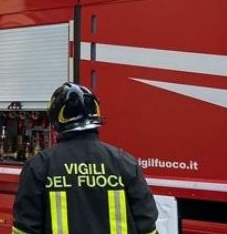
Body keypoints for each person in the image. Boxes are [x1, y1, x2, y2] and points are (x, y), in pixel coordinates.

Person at [12, 83, 158, 234]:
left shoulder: (39, 166)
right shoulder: (125, 163)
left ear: (56, 120)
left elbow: (25, 228)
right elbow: (147, 225)